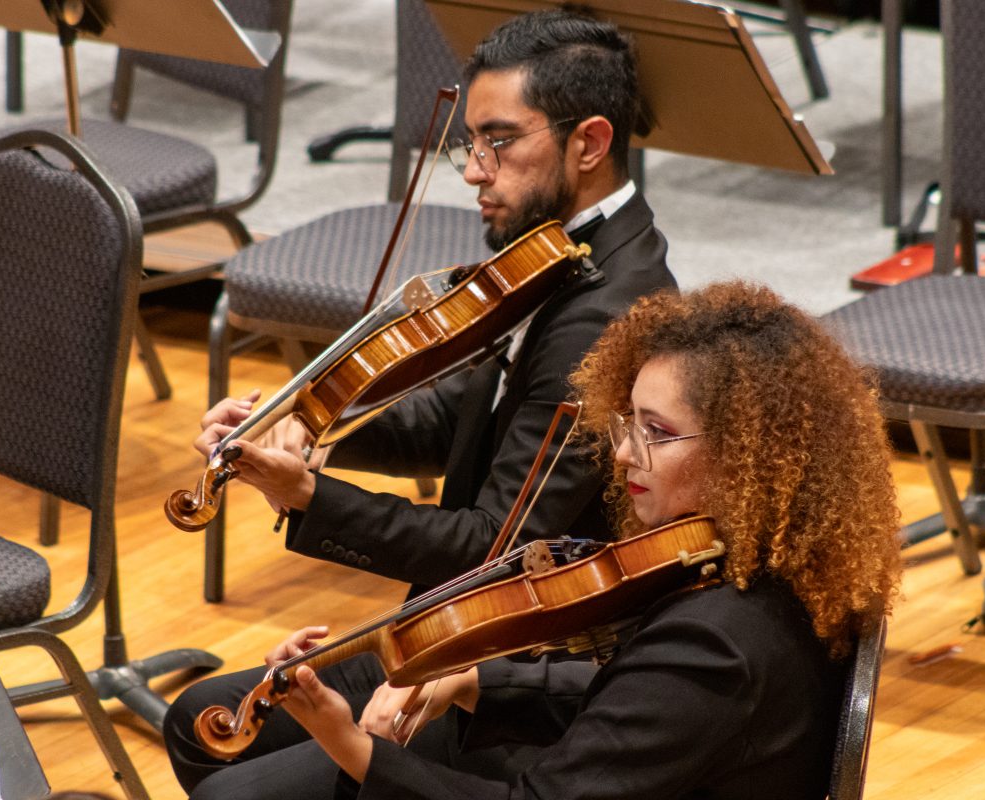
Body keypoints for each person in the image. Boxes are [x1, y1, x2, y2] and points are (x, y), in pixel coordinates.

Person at [164, 9, 675, 797]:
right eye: (469, 143)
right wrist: (310, 430)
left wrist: (307, 495)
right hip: (463, 622)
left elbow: (490, 549)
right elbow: (459, 421)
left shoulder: (608, 317)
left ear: (590, 143)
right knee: (200, 719)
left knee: (232, 785)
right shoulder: (551, 258)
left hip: (527, 666)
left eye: (499, 142)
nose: (474, 170)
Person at [278, 281, 904, 799]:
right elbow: (638, 705)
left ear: (747, 455)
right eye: (628, 423)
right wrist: (475, 685)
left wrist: (355, 750)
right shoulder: (769, 566)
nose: (625, 453)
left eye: (656, 432)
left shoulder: (717, 639)